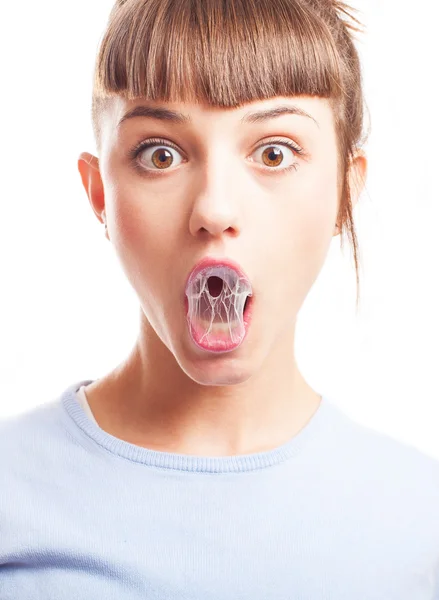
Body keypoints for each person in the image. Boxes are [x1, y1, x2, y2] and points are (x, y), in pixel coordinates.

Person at [1, 0, 438, 597]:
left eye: (273, 153)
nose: (214, 209)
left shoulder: (420, 522)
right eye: (161, 154)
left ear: (343, 191)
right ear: (100, 192)